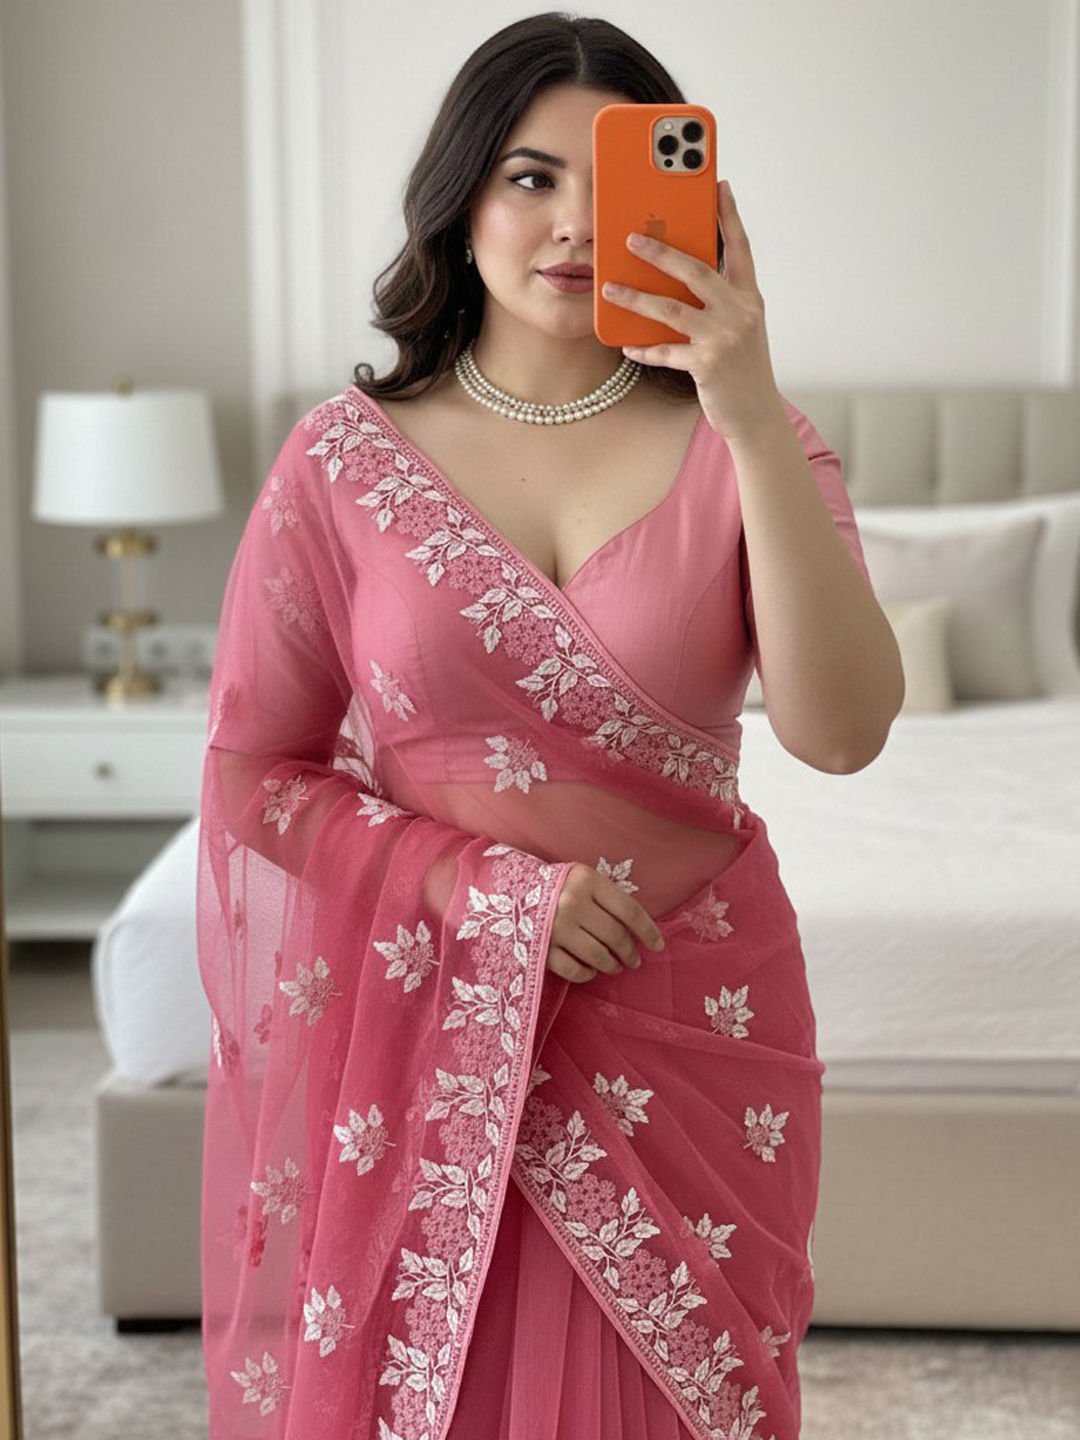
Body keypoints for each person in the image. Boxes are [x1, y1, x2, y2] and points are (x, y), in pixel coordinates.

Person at [197, 14, 904, 1440]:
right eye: (530, 178)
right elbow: (253, 775)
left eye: (616, 179)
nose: (578, 223)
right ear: (459, 204)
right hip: (430, 1010)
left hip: (689, 1021)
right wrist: (476, 891)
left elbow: (840, 734)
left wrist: (748, 408)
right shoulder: (343, 464)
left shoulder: (748, 444)